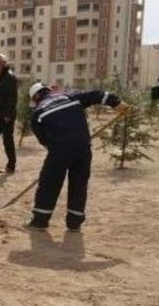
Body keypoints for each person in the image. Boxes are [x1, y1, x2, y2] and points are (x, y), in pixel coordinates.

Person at [25, 82, 128, 231]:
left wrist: (58, 147)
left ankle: (40, 221)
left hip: (59, 151)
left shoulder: (37, 114)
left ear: (35, 97)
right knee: (79, 184)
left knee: (49, 184)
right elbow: (97, 95)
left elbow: (44, 141)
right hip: (82, 149)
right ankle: (75, 223)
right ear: (48, 90)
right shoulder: (70, 98)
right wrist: (117, 103)